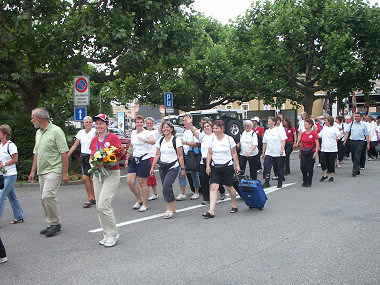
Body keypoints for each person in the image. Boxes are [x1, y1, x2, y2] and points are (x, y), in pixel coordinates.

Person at [28, 108, 69, 237]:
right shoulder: (38, 133)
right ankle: (50, 223)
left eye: (32, 118)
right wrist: (32, 171)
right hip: (42, 170)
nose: (31, 120)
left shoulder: (56, 131)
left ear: (39, 118)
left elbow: (64, 153)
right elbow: (36, 153)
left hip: (54, 169)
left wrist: (65, 173)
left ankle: (56, 223)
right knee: (43, 198)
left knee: (48, 196)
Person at [89, 114, 122, 247]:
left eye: (101, 123)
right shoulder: (93, 140)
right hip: (98, 174)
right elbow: (91, 157)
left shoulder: (112, 137)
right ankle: (107, 234)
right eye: (96, 124)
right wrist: (93, 164)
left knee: (104, 204)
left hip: (111, 172)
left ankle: (113, 234)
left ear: (107, 125)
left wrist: (107, 161)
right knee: (99, 206)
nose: (98, 126)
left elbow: (119, 154)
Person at [202, 120, 240, 218]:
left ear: (222, 129)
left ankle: (234, 204)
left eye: (216, 128)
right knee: (214, 187)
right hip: (215, 166)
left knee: (229, 187)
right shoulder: (212, 139)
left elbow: (234, 153)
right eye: (213, 128)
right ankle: (211, 211)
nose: (214, 130)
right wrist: (208, 166)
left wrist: (238, 166)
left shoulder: (229, 139)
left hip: (227, 166)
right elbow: (209, 153)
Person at [150, 121, 185, 219]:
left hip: (173, 166)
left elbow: (180, 155)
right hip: (163, 167)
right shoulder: (160, 140)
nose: (165, 129)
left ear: (171, 129)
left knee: (166, 186)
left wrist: (182, 169)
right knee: (166, 187)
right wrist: (152, 167)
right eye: (163, 128)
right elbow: (157, 154)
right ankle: (172, 207)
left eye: (167, 127)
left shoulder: (176, 140)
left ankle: (169, 209)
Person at [125, 115, 155, 212]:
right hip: (134, 159)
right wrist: (127, 158)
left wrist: (145, 140)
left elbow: (153, 141)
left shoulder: (146, 133)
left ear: (143, 123)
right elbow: (131, 145)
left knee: (142, 182)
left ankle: (145, 204)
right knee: (130, 181)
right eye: (137, 122)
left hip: (144, 159)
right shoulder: (133, 132)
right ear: (135, 123)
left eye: (140, 122)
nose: (139, 124)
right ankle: (139, 200)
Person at [68, 116, 96, 208]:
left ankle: (90, 198)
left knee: (85, 178)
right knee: (88, 178)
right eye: (86, 122)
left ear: (91, 123)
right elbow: (75, 145)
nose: (88, 123)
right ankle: (93, 197)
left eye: (89, 122)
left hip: (91, 156)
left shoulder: (94, 132)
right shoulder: (80, 132)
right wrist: (67, 155)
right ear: (83, 123)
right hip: (83, 156)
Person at [0, 124, 25, 224]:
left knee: (1, 197)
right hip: (3, 175)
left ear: (5, 134)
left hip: (10, 175)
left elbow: (15, 159)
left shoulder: (11, 145)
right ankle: (19, 216)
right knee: (12, 197)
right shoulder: (0, 146)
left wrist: (4, 164)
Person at [176, 114, 201, 201]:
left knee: (194, 174)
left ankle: (196, 191)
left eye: (186, 120)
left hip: (192, 155)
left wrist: (185, 142)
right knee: (181, 173)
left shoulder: (195, 130)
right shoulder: (184, 131)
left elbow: (197, 144)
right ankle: (182, 193)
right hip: (184, 154)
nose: (185, 122)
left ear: (191, 120)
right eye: (184, 120)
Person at [262, 117, 287, 188]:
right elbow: (264, 142)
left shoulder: (279, 130)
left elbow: (283, 140)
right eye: (268, 121)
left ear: (274, 122)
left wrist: (282, 148)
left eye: (269, 121)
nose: (268, 123)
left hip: (278, 153)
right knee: (266, 167)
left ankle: (280, 181)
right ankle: (266, 181)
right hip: (269, 152)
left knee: (278, 168)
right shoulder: (267, 131)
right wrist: (263, 152)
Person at [344, 112, 370, 176]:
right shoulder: (352, 124)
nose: (356, 118)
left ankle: (354, 171)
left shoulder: (363, 125)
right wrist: (345, 140)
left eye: (358, 116)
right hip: (352, 141)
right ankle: (357, 169)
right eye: (355, 116)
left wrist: (368, 143)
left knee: (357, 155)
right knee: (353, 156)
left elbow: (367, 134)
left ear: (361, 117)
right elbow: (347, 132)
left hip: (360, 142)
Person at [318, 116, 341, 182]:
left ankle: (331, 176)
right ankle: (325, 175)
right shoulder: (324, 128)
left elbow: (338, 134)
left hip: (332, 149)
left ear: (329, 121)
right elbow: (320, 135)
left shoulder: (334, 128)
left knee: (331, 163)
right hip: (324, 148)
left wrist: (338, 137)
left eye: (326, 120)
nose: (324, 121)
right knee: (322, 161)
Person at [145, 116, 162, 201]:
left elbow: (162, 125)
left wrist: (162, 114)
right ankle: (147, 193)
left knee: (150, 174)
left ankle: (154, 193)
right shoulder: (143, 132)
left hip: (152, 156)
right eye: (148, 123)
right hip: (144, 156)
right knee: (145, 175)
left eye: (151, 123)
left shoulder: (156, 132)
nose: (149, 124)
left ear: (153, 124)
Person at [299, 118, 319, 187]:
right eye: (304, 124)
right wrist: (300, 151)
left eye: (306, 124)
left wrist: (316, 152)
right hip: (304, 151)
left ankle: (309, 181)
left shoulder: (313, 133)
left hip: (311, 151)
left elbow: (317, 143)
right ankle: (304, 179)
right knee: (302, 166)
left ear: (310, 125)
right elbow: (301, 142)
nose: (304, 125)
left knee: (310, 167)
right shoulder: (304, 133)